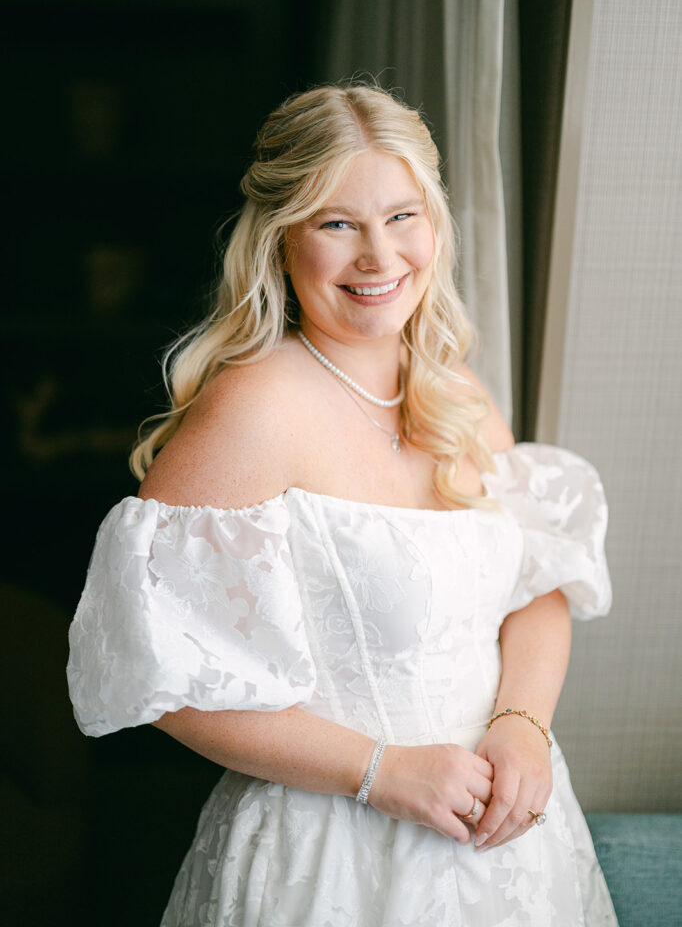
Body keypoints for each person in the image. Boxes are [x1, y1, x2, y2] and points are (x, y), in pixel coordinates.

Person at [67, 83, 618, 926]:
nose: (379, 255)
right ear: (281, 240)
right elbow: (160, 676)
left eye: (402, 216)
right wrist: (380, 769)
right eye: (337, 223)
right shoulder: (253, 408)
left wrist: (523, 728)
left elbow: (537, 583)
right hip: (329, 856)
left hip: (511, 855)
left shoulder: (455, 393)